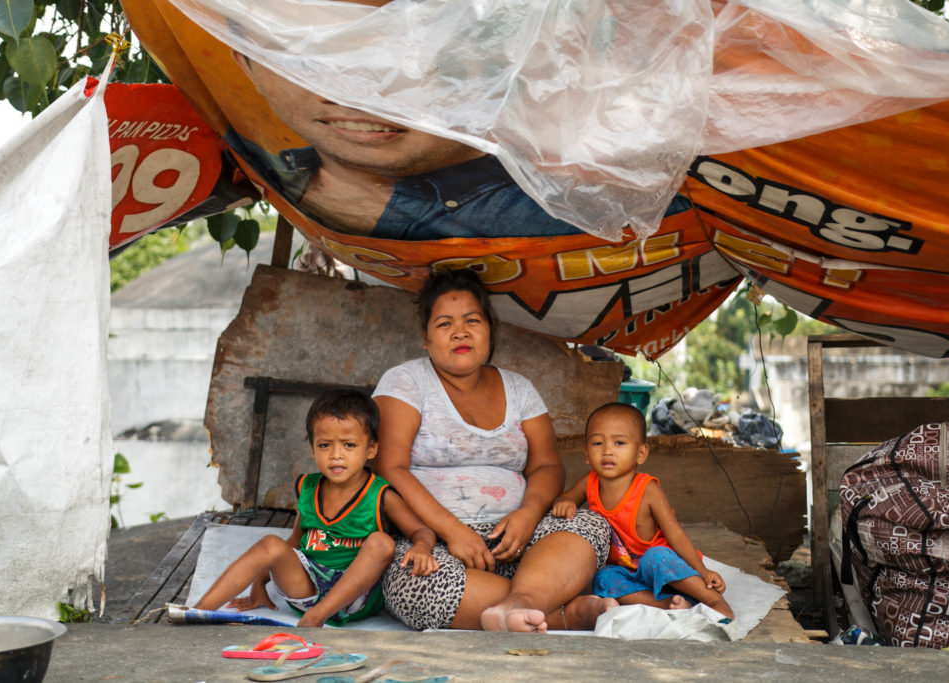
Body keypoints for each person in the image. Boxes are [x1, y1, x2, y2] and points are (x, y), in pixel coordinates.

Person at [372, 267, 617, 632]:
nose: (460, 332)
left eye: (473, 320)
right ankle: (564, 612)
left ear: (490, 329)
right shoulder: (405, 381)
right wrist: (453, 532)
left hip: (519, 540)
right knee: (413, 586)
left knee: (591, 525)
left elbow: (547, 465)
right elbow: (389, 468)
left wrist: (529, 515)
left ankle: (520, 603)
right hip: (436, 542)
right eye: (444, 324)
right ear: (425, 337)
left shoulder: (519, 388)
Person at [225, 50, 690, 239]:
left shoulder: (579, 189)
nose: (354, 92)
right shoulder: (251, 164)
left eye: (411, 57)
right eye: (306, 59)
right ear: (243, 62)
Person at [194, 390, 438, 627]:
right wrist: (260, 581)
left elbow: (421, 531)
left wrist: (422, 547)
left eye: (349, 445)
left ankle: (315, 619)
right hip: (307, 587)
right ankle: (198, 612)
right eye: (324, 445)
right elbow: (296, 542)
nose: (336, 455)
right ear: (312, 449)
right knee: (270, 543)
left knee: (382, 543)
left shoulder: (380, 494)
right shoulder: (308, 488)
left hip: (355, 596)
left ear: (371, 449)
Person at [551, 402, 734, 619]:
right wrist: (566, 502)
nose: (607, 450)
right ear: (587, 453)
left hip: (669, 571)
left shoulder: (648, 490)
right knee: (603, 578)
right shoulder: (589, 482)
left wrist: (702, 571)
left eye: (619, 442)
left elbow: (675, 534)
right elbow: (567, 497)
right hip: (630, 575)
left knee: (654, 557)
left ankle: (713, 601)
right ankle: (669, 604)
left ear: (641, 453)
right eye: (598, 443)